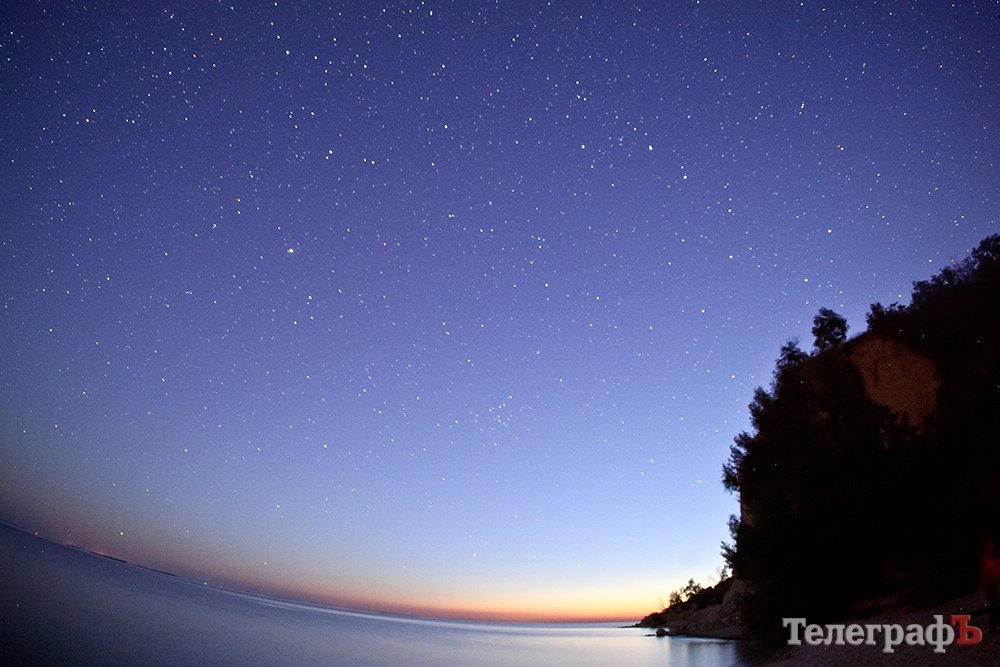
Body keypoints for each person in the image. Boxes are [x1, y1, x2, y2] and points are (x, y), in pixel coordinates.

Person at [979, 538, 1000, 633]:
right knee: (994, 605)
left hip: (993, 583)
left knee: (995, 604)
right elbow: (985, 574)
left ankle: (994, 625)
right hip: (990, 585)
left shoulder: (992, 559)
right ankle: (993, 626)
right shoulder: (985, 560)